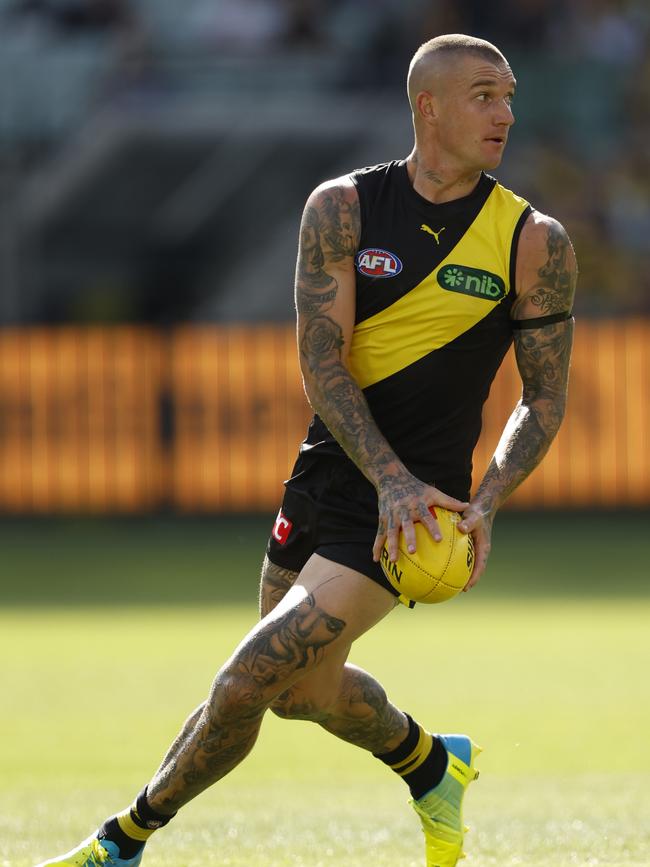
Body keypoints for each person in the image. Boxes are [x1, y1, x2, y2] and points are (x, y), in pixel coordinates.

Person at [36, 33, 577, 867]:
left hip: (415, 512)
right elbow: (319, 359)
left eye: (508, 95)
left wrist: (487, 495)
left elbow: (544, 399)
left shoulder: (533, 242)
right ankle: (432, 760)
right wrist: (381, 476)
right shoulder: (343, 209)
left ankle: (121, 841)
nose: (504, 111)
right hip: (332, 472)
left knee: (245, 680)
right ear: (427, 107)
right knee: (298, 694)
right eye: (482, 95)